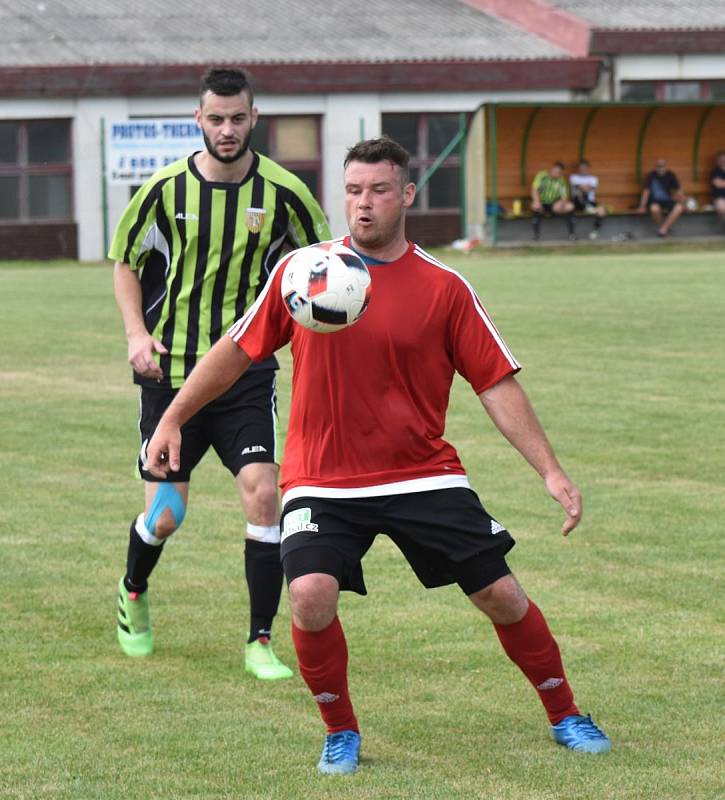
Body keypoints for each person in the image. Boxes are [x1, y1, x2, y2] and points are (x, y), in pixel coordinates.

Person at [143, 136, 612, 773]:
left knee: (502, 594)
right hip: (322, 477)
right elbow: (235, 350)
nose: (364, 205)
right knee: (308, 594)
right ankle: (340, 731)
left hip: (422, 472)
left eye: (380, 190)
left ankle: (565, 713)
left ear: (407, 195)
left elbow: (496, 383)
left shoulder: (444, 288)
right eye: (354, 191)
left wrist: (551, 471)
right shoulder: (304, 273)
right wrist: (172, 417)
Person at [110, 67, 331, 679]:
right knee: (165, 518)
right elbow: (126, 262)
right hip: (169, 374)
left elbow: (325, 266)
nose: (227, 129)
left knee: (265, 492)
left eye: (238, 118)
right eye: (216, 119)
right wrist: (135, 334)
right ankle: (132, 592)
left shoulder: (286, 193)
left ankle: (260, 640)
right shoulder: (163, 189)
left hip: (246, 370)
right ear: (198, 120)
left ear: (254, 119)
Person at [637, 158, 685, 237]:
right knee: (654, 209)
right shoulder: (651, 175)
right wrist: (642, 206)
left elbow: (678, 190)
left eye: (662, 166)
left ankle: (663, 228)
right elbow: (646, 191)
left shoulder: (670, 175)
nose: (660, 168)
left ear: (666, 167)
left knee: (679, 207)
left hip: (667, 200)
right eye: (658, 166)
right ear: (655, 167)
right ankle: (664, 228)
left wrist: (684, 203)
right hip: (654, 200)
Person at [530, 161, 576, 241]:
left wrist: (561, 203)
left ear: (560, 173)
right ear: (551, 169)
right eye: (554, 171)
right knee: (534, 206)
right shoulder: (542, 176)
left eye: (558, 172)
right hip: (542, 202)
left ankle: (571, 234)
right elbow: (534, 190)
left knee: (570, 206)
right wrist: (537, 201)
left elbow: (564, 196)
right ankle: (536, 235)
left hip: (554, 204)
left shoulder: (561, 180)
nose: (555, 173)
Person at [569, 159, 607, 240]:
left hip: (590, 201)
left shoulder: (593, 178)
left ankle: (595, 232)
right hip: (576, 202)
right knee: (579, 195)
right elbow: (582, 189)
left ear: (588, 168)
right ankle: (572, 234)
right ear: (578, 169)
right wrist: (584, 187)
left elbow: (587, 188)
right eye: (581, 168)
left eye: (584, 168)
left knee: (602, 210)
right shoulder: (573, 177)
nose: (582, 170)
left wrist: (583, 187)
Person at [709, 150, 725, 225]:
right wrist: (720, 183)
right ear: (718, 161)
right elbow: (717, 184)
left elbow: (721, 183)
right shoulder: (715, 171)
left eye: (724, 159)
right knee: (722, 207)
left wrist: (722, 182)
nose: (723, 161)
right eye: (721, 160)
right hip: (720, 197)